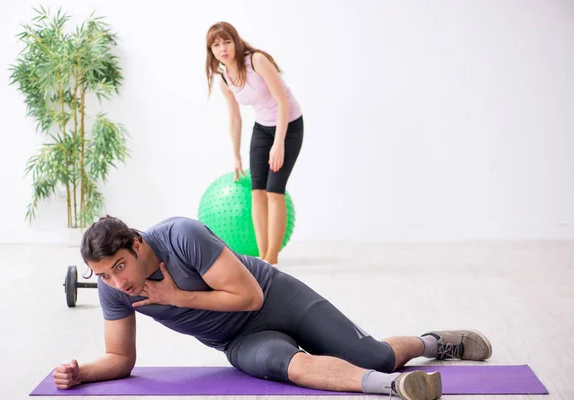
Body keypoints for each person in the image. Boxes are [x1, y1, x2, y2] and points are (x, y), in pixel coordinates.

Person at [52, 215, 493, 399]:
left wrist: (175, 297)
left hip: (276, 298)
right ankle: (396, 388)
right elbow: (121, 359)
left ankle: (435, 342)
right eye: (105, 275)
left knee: (373, 352)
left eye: (120, 267)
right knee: (293, 367)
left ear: (136, 242)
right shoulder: (115, 290)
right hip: (240, 338)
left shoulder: (181, 235)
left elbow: (251, 297)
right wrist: (82, 372)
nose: (117, 282)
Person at [205, 21, 304, 267]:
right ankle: (263, 257)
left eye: (227, 41)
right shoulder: (224, 79)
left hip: (288, 125)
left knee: (274, 191)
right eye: (216, 45)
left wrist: (279, 143)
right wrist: (236, 156)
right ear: (211, 51)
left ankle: (272, 257)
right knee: (257, 191)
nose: (223, 48)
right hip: (262, 128)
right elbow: (235, 118)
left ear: (236, 42)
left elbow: (282, 101)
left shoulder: (257, 61)